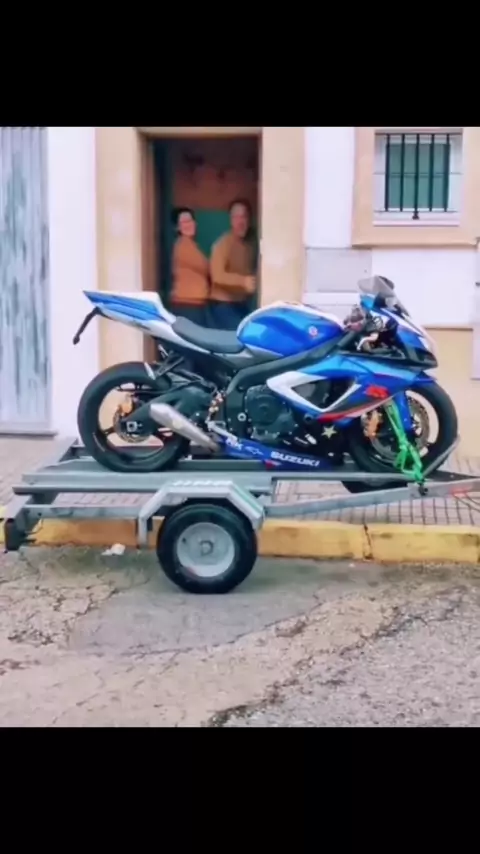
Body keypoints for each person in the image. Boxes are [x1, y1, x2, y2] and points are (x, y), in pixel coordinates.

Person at [209, 199, 257, 331]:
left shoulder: (249, 245)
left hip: (242, 304)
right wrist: (243, 281)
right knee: (239, 335)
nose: (240, 221)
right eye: (236, 217)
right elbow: (217, 276)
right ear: (231, 220)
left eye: (244, 217)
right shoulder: (222, 244)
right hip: (222, 305)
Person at [170, 207, 210, 326]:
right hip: (187, 305)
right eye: (184, 222)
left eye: (190, 220)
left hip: (193, 305)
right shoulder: (183, 245)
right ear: (177, 228)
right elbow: (205, 267)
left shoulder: (192, 245)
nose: (188, 224)